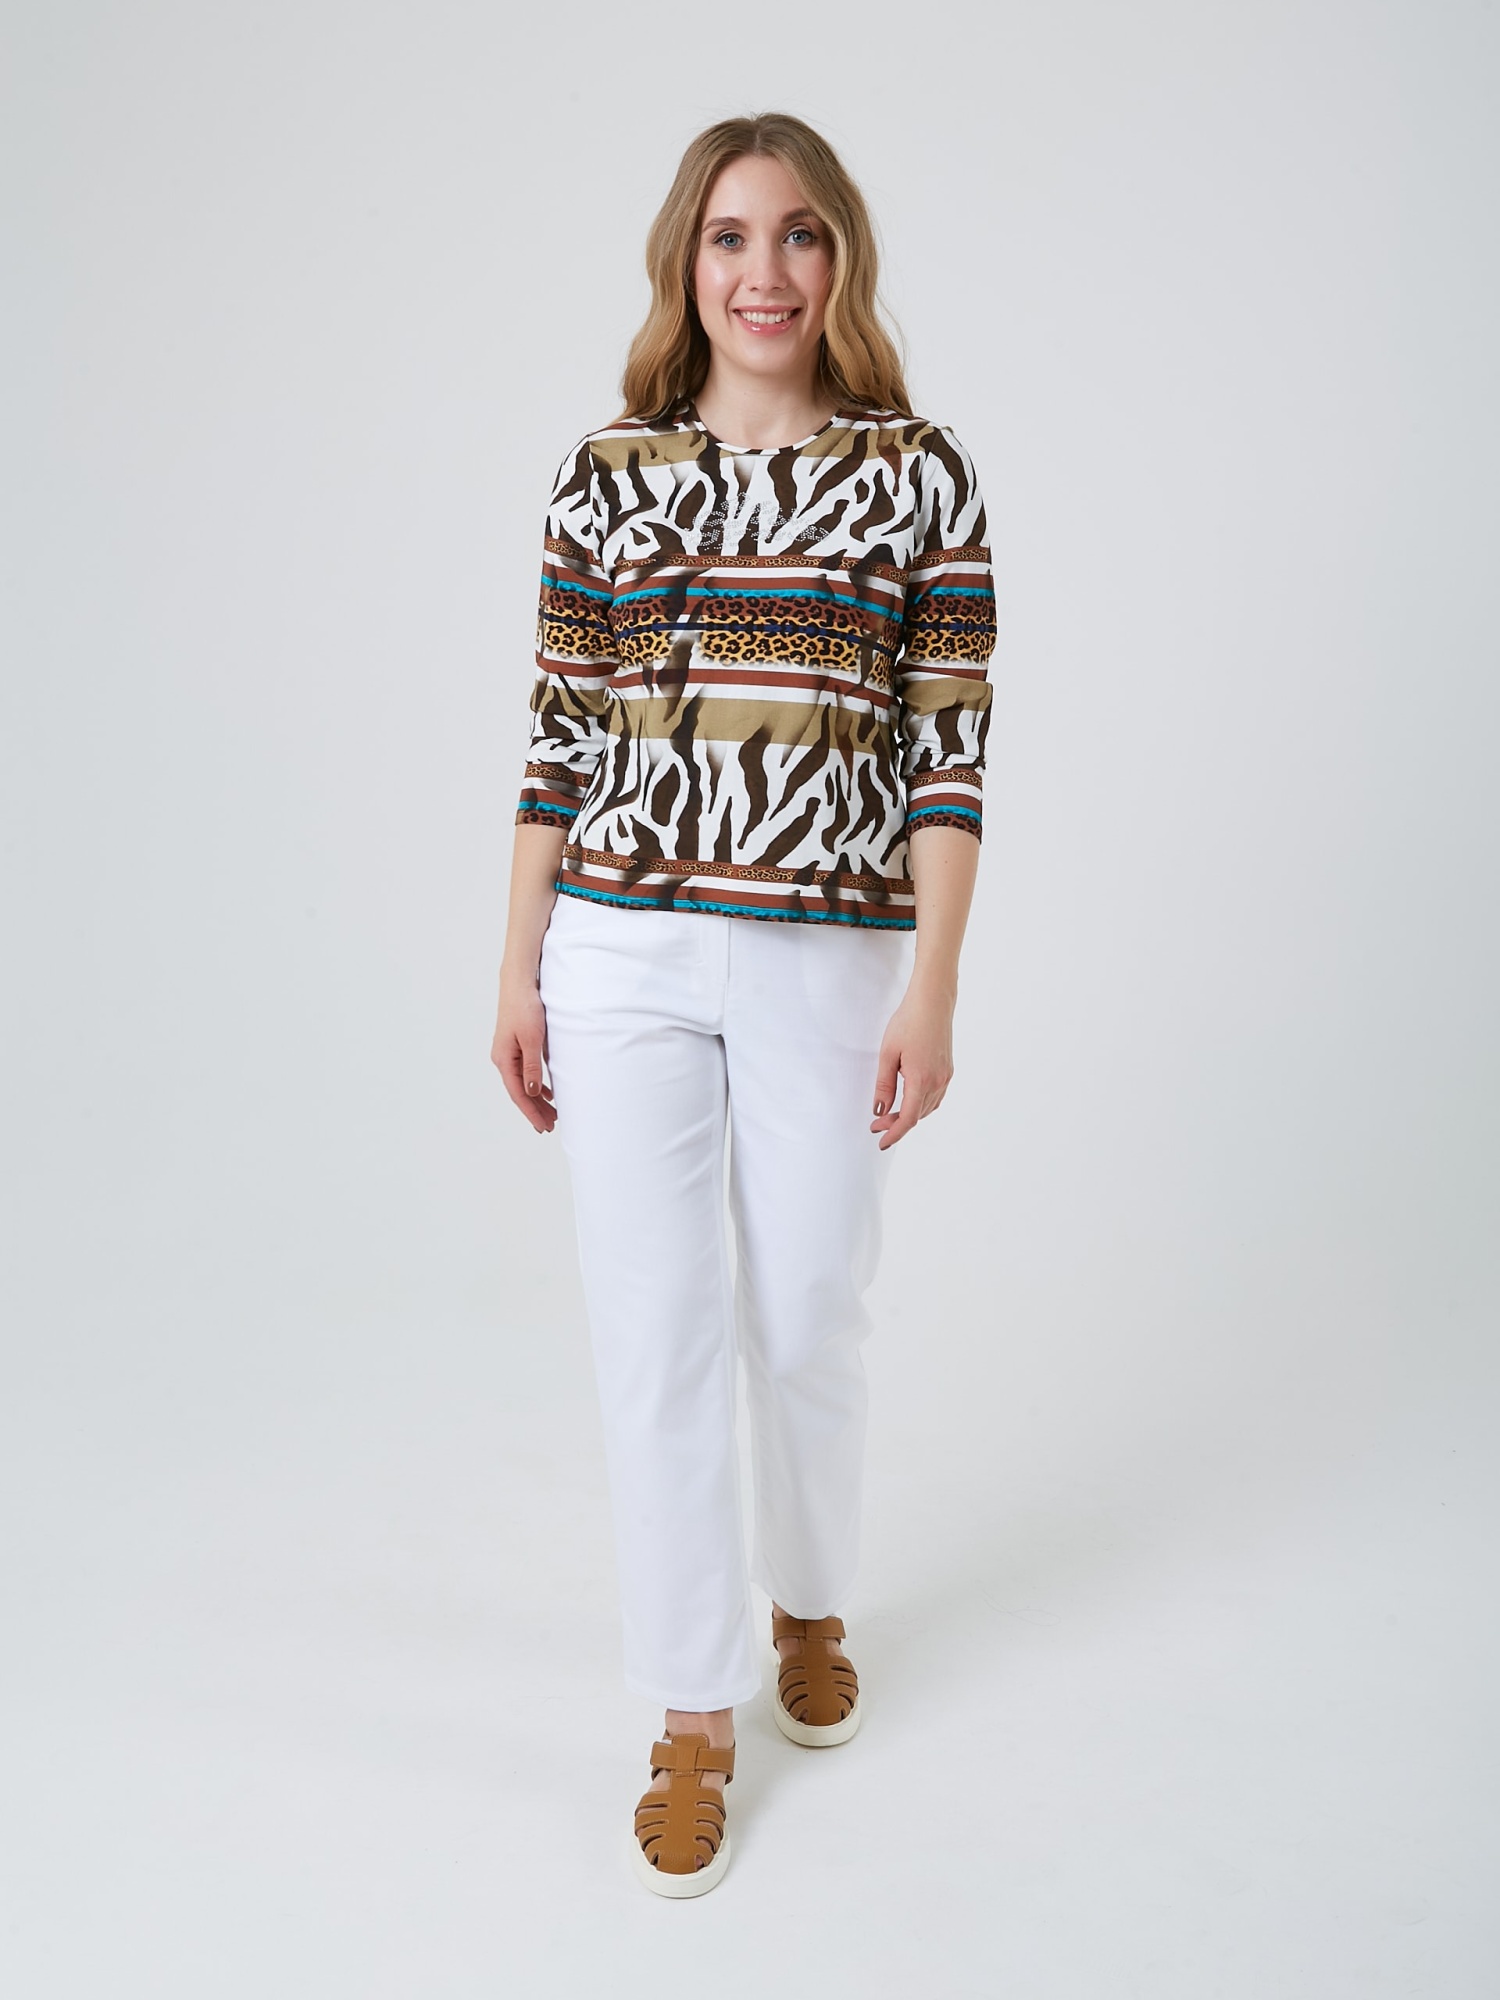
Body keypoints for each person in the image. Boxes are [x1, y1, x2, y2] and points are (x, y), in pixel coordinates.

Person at [490, 111, 995, 1897]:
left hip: (826, 953)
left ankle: (811, 1602)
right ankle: (691, 1712)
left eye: (796, 235)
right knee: (659, 1332)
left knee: (807, 1316)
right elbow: (557, 738)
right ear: (683, 264)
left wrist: (936, 986)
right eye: (727, 237)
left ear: (839, 258)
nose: (762, 272)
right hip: (620, 950)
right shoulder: (606, 475)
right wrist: (517, 962)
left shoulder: (920, 477)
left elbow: (948, 752)